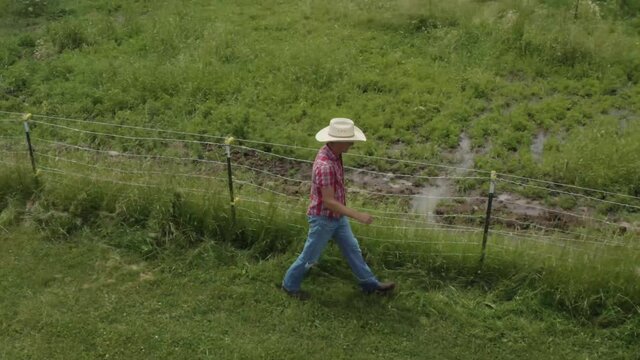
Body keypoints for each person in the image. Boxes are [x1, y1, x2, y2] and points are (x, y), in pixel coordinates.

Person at [281, 118, 395, 300]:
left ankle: (370, 284)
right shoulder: (325, 166)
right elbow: (328, 201)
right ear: (338, 141)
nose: (352, 144)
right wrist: (359, 215)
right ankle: (289, 285)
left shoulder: (334, 155)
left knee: (352, 249)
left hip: (336, 217)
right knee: (310, 257)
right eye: (349, 140)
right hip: (323, 218)